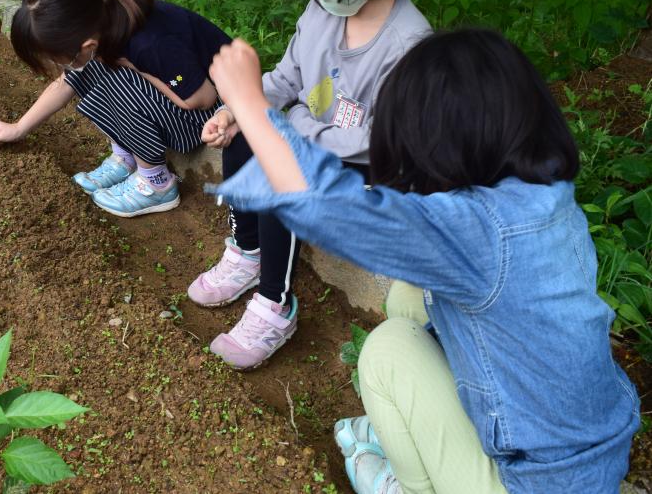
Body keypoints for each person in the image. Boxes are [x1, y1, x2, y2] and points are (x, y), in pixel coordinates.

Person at [208, 31, 640, 494]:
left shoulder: (482, 233)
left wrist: (252, 106)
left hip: (535, 482)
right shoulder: (542, 194)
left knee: (388, 350)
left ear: (440, 143)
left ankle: (415, 484)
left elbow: (332, 210)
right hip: (586, 456)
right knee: (412, 299)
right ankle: (433, 433)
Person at [187, 0, 431, 369]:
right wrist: (238, 109)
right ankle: (247, 251)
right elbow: (286, 79)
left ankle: (275, 304)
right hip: (317, 140)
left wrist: (290, 128)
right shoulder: (325, 11)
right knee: (245, 135)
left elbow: (380, 141)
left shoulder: (409, 46)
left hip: (374, 172)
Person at [0, 0, 230, 217]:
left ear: (86, 45)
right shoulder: (100, 18)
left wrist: (138, 69)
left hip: (208, 118)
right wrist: (19, 127)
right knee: (98, 69)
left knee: (117, 79)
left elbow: (203, 98)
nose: (58, 67)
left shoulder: (150, 44)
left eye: (57, 59)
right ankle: (126, 157)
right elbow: (68, 81)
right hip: (182, 98)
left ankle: (156, 183)